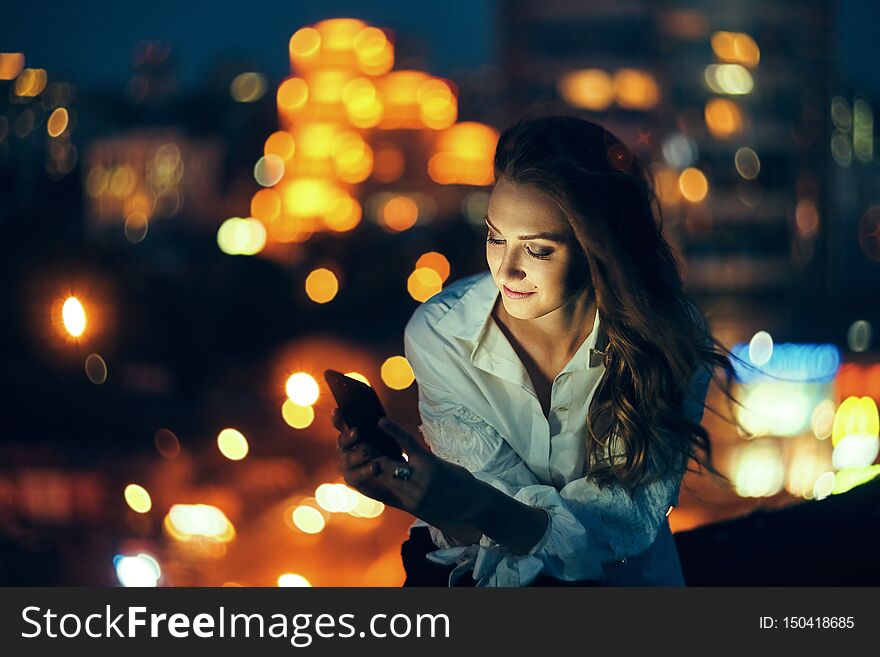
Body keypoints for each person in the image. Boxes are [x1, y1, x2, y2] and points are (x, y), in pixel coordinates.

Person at [334, 114, 735, 587]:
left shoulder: (667, 336)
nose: (506, 271)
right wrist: (420, 498)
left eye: (539, 250)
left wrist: (474, 504)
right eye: (495, 237)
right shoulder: (443, 335)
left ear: (598, 247)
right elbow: (485, 538)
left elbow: (619, 529)